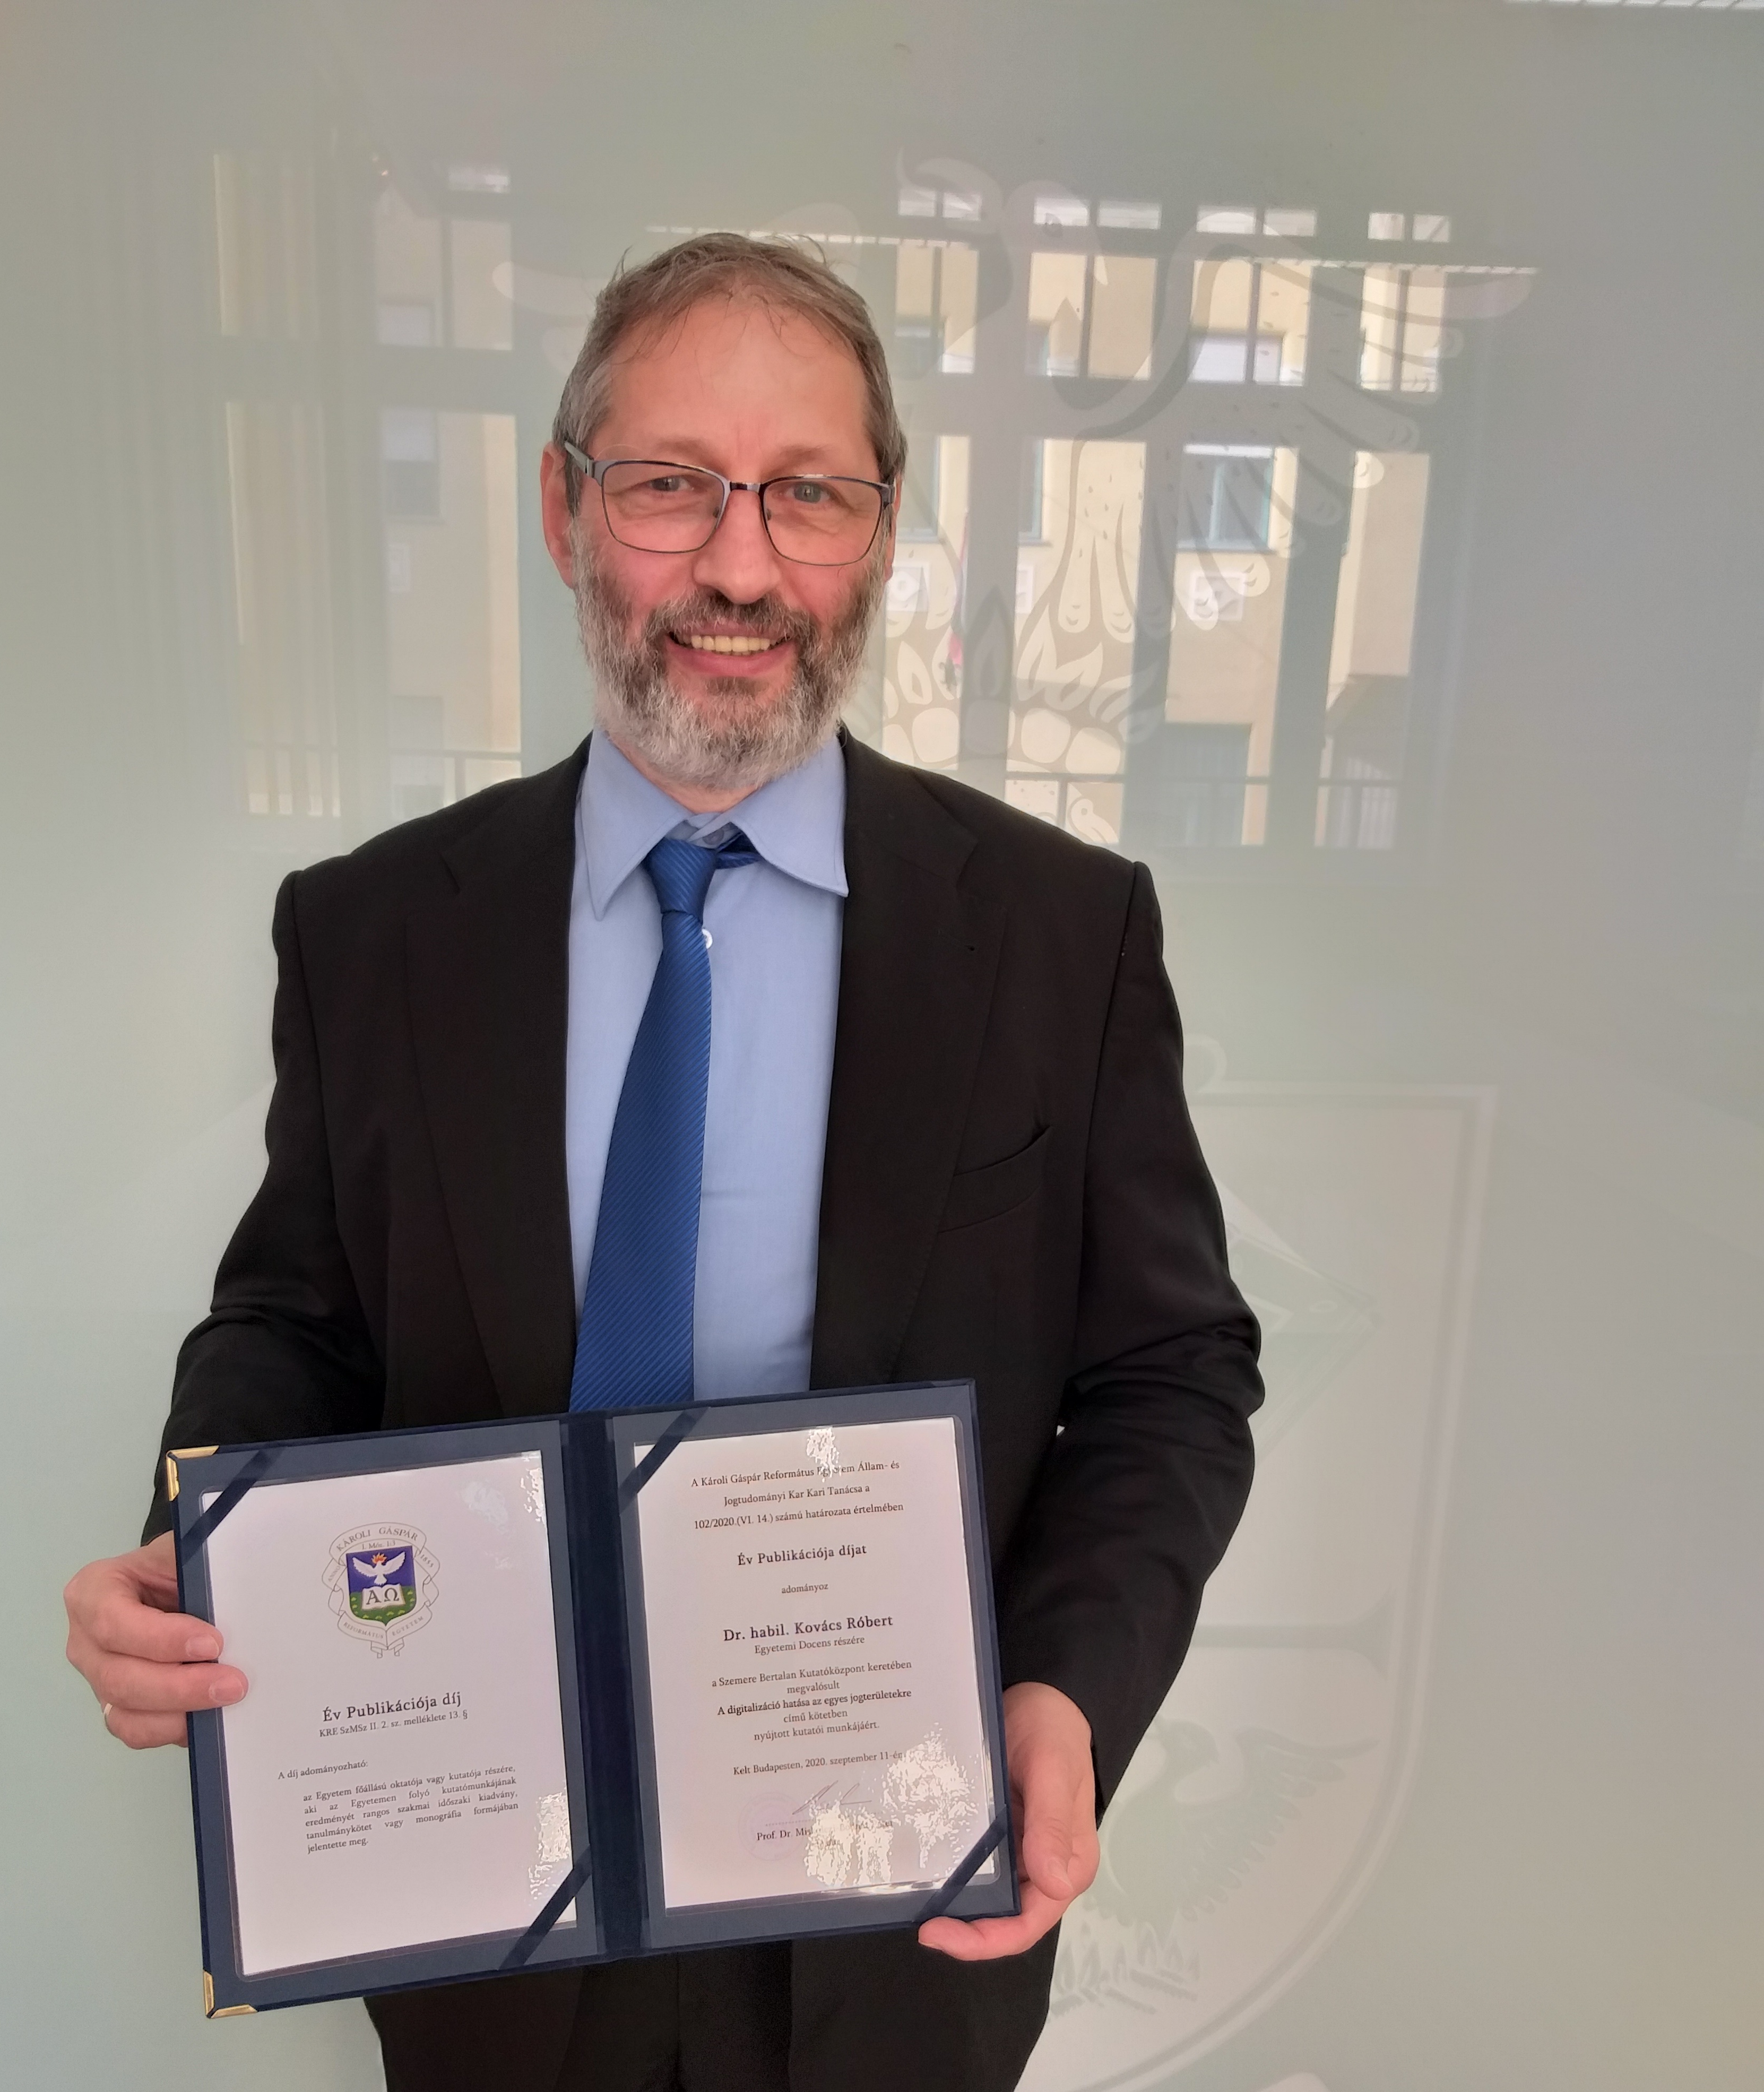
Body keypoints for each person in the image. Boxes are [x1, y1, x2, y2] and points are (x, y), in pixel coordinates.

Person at [63, 232, 1262, 2092]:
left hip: (894, 1895)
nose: (740, 566)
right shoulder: (374, 931)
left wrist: (1064, 1689)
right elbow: (296, 1319)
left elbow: (1170, 1374)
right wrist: (198, 1542)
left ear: (879, 531)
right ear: (563, 511)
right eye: (669, 486)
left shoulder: (1059, 933)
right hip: (487, 1896)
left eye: (808, 495)